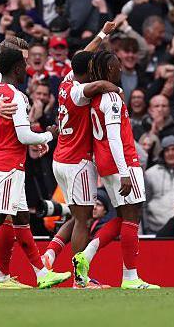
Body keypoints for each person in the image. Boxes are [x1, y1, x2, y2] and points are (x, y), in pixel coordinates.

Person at [0, 49, 69, 290]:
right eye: (24, 63)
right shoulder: (15, 96)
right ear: (17, 68)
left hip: (1, 160)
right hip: (7, 164)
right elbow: (23, 135)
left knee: (21, 217)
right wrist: (49, 135)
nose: (26, 67)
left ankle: (41, 273)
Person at [71, 50, 159, 289]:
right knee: (132, 217)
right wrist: (124, 171)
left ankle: (85, 256)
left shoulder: (96, 98)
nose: (121, 69)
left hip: (105, 162)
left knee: (122, 217)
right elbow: (114, 137)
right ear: (109, 69)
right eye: (117, 65)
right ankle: (130, 278)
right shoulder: (111, 99)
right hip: (122, 162)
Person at [45, 33, 121, 287]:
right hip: (77, 162)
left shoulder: (66, 81)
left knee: (78, 216)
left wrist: (102, 34)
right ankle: (80, 278)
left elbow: (82, 57)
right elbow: (99, 86)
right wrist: (118, 89)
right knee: (83, 219)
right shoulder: (79, 92)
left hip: (60, 159)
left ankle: (51, 253)